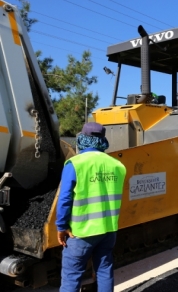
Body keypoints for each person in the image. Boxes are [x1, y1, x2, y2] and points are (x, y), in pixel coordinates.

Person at [56, 122, 127, 292]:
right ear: (103, 140)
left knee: (72, 277)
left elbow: (65, 198)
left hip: (81, 232)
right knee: (104, 271)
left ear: (82, 139)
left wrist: (61, 226)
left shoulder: (75, 164)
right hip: (108, 230)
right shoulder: (118, 165)